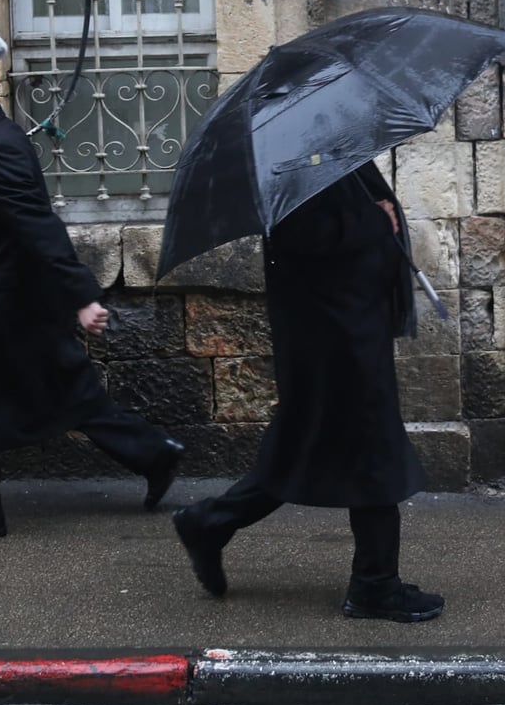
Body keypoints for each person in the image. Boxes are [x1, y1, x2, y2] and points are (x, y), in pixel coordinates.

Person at [0, 23, 183, 545]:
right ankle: (155, 453)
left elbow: (38, 227)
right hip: (16, 304)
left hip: (2, 306)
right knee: (69, 392)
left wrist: (81, 297)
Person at [171, 160, 444, 622]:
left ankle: (210, 522)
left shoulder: (333, 152)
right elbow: (305, 235)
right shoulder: (298, 162)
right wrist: (377, 219)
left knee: (308, 447)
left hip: (345, 330)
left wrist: (378, 215)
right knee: (372, 451)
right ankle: (375, 584)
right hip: (335, 338)